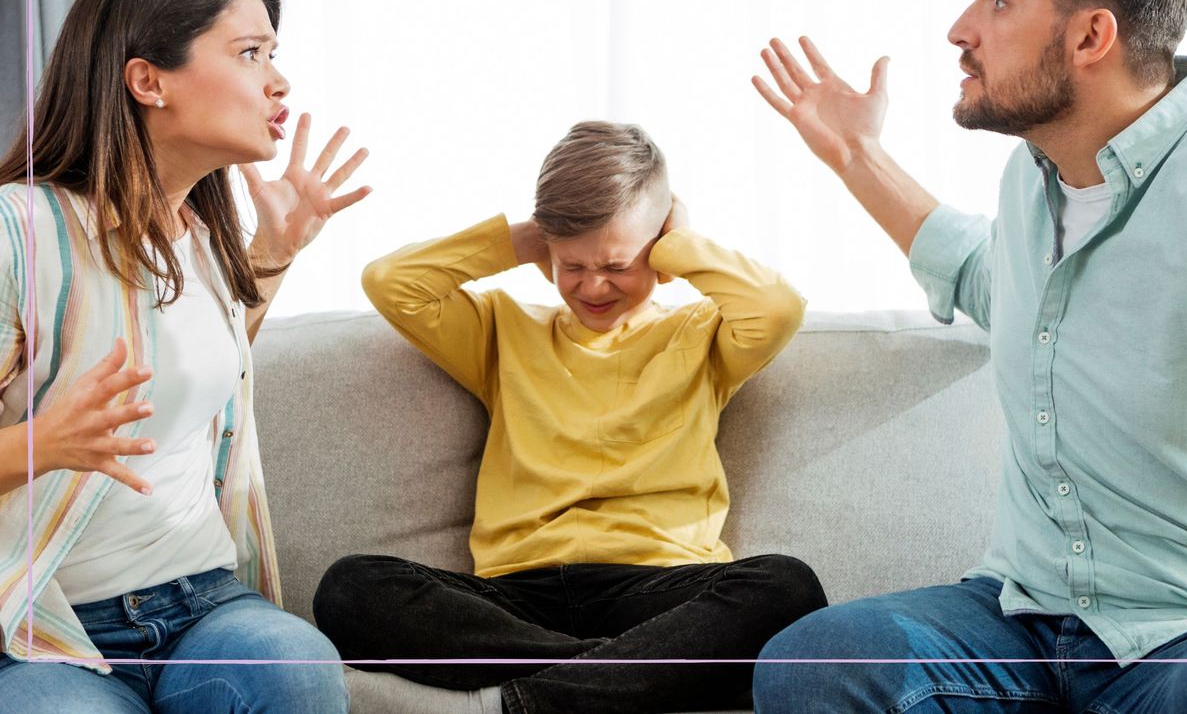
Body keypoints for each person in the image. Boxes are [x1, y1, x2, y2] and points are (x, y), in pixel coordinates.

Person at [749, 0, 1187, 712]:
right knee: (814, 662)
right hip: (1020, 620)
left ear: (1090, 36)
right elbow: (985, 275)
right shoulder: (1033, 183)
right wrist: (856, 156)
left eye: (998, 0)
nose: (960, 31)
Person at [313, 121, 827, 713]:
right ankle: (629, 675)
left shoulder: (702, 334)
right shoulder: (501, 330)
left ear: (658, 249)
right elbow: (392, 283)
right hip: (516, 592)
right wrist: (524, 238)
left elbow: (778, 307)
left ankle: (530, 702)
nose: (593, 286)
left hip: (658, 583)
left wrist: (679, 242)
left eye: (616, 264)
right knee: (351, 588)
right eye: (571, 265)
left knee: (788, 587)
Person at [0, 0, 370, 713]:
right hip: (48, 629)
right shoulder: (21, 231)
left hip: (202, 603)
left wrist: (273, 255)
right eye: (249, 53)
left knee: (294, 666)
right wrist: (37, 443)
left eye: (274, 53)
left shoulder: (203, 234)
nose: (279, 81)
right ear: (148, 80)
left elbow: (201, 366)